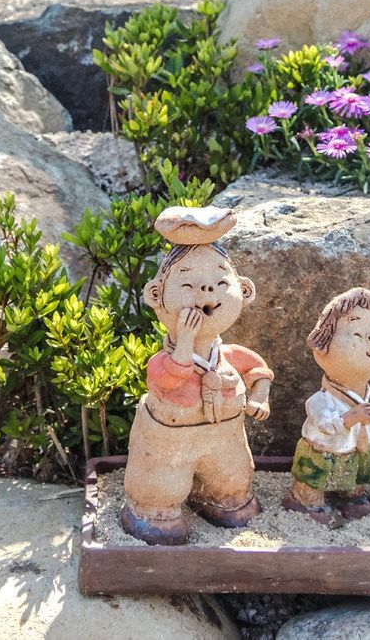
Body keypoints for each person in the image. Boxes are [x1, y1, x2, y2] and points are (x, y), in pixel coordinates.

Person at [119, 206, 275, 545]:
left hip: (224, 439)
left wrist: (260, 395)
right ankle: (152, 510)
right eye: (188, 283)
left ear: (243, 291)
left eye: (221, 282)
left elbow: (258, 370)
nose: (207, 292)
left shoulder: (228, 357)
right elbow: (168, 379)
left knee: (232, 481)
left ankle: (221, 498)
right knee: (160, 488)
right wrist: (185, 342)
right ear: (156, 296)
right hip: (167, 444)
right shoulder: (162, 361)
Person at [286, 287, 370, 522]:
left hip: (359, 450)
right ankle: (307, 498)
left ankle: (353, 495)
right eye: (355, 326)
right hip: (326, 451)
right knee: (315, 477)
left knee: (356, 475)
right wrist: (351, 418)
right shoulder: (322, 400)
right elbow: (324, 424)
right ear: (321, 350)